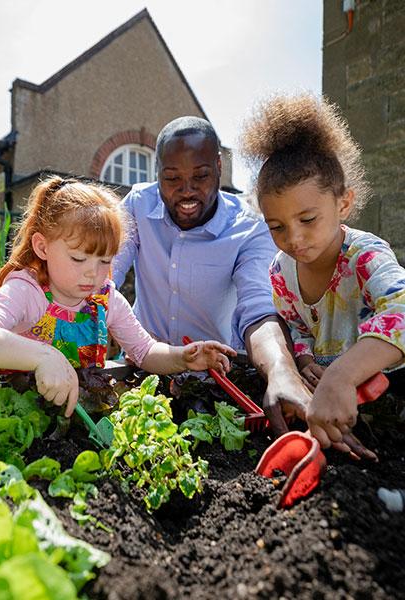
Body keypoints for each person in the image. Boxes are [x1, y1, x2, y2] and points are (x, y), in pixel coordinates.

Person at [0, 176, 236, 417]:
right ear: (42, 247)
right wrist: (44, 357)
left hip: (75, 419)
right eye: (78, 258)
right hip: (13, 416)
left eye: (105, 260)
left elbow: (144, 351)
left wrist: (183, 358)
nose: (93, 274)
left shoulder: (105, 299)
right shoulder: (28, 291)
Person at [112, 116, 310, 435]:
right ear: (157, 172)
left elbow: (258, 312)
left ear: (218, 166)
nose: (186, 191)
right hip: (142, 371)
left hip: (213, 384)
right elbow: (103, 276)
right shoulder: (137, 205)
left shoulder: (248, 226)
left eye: (201, 176)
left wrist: (281, 371)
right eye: (172, 178)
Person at [240, 93, 405, 453]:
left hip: (390, 396)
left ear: (343, 203)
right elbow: (296, 325)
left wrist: (342, 375)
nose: (293, 238)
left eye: (308, 220)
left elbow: (401, 313)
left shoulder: (365, 256)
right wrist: (305, 360)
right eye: (276, 227)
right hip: (329, 401)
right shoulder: (281, 272)